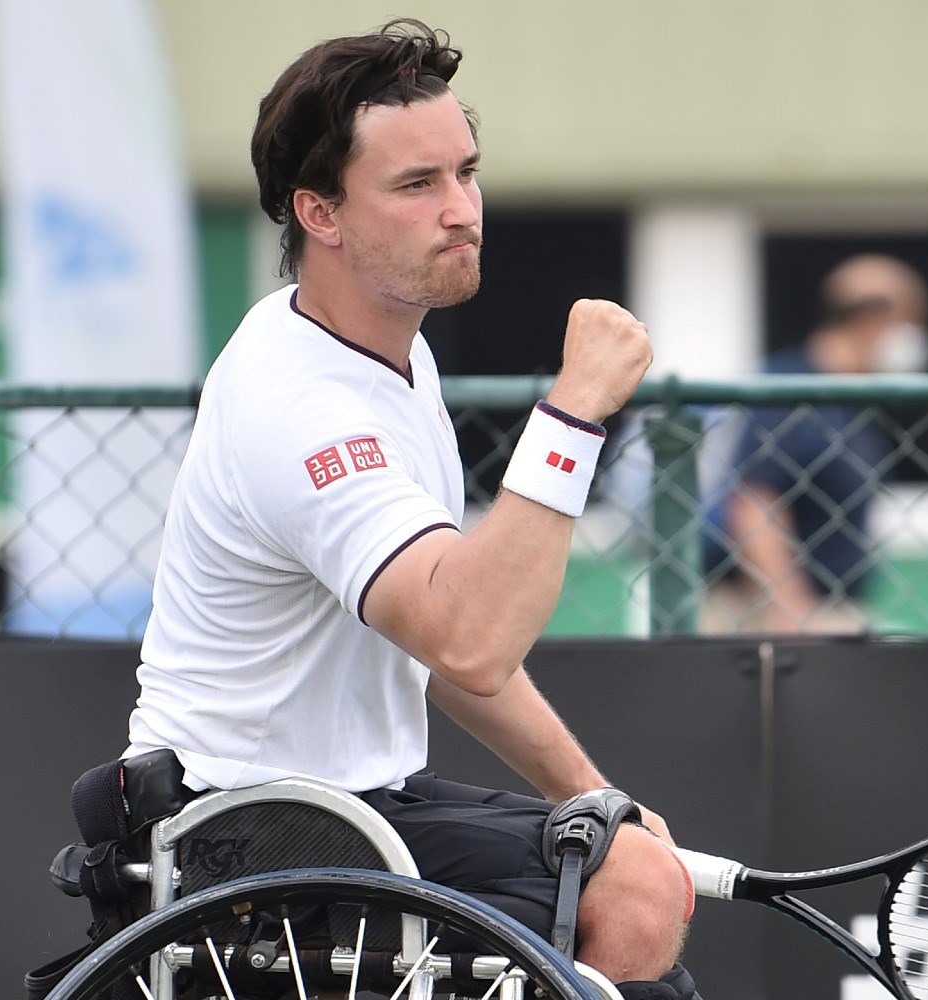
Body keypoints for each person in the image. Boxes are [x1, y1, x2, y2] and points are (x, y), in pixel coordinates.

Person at [121, 19, 699, 998]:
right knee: (635, 896)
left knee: (632, 874)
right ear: (321, 212)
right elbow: (470, 635)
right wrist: (575, 413)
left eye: (465, 173)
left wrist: (594, 796)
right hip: (243, 830)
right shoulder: (300, 405)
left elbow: (440, 640)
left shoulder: (393, 351)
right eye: (417, 185)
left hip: (351, 801)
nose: (462, 209)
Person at [705, 254, 928, 634]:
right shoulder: (793, 389)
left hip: (825, 607)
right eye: (910, 320)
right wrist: (792, 609)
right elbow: (754, 503)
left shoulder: (853, 400)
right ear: (873, 319)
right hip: (771, 618)